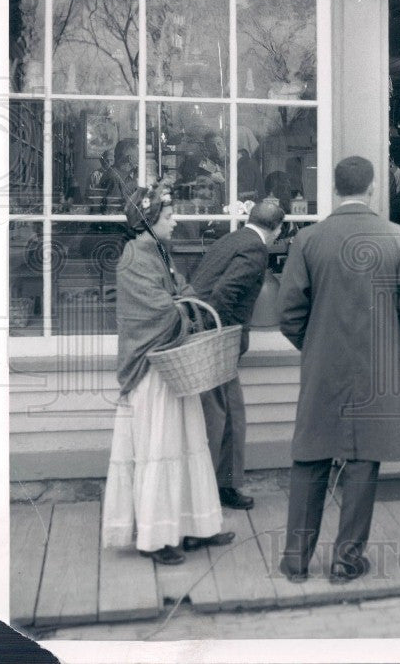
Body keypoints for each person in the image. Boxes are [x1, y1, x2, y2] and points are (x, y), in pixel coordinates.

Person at [276, 156, 400, 583]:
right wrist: (394, 346)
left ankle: (296, 560)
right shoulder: (397, 237)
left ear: (333, 189)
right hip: (375, 368)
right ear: (373, 188)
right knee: (363, 461)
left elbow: (287, 311)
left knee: (310, 456)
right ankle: (346, 561)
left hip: (322, 366)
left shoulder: (308, 240)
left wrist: (314, 345)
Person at [101, 183, 233, 566]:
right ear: (149, 219)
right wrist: (188, 310)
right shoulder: (133, 257)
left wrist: (192, 303)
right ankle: (156, 538)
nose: (175, 221)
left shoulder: (157, 251)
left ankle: (194, 526)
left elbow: (181, 291)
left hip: (173, 363)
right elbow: (154, 313)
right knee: (160, 449)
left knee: (186, 443)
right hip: (152, 367)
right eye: (169, 215)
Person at [189, 200, 286, 511]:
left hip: (204, 333)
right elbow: (224, 294)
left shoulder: (231, 239)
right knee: (223, 417)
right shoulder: (256, 250)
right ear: (277, 229)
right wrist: (221, 337)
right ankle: (214, 489)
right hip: (216, 340)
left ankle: (222, 486)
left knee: (230, 416)